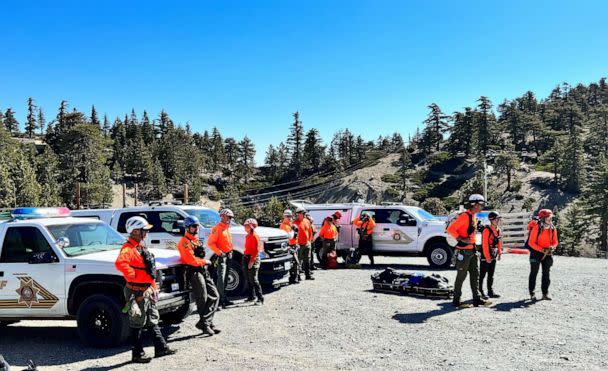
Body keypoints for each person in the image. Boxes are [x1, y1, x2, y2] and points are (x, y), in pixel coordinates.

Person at [115, 216, 176, 363]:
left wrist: (153, 287)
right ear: (136, 231)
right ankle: (137, 354)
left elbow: (149, 272)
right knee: (137, 322)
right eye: (145, 230)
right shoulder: (128, 249)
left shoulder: (140, 247)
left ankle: (161, 348)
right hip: (136, 291)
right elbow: (120, 263)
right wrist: (133, 276)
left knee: (152, 319)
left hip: (146, 290)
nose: (147, 233)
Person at [176, 215, 220, 336]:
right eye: (193, 227)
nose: (196, 229)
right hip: (193, 272)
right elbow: (191, 260)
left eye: (196, 226)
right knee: (203, 298)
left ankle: (205, 322)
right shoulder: (184, 243)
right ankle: (206, 324)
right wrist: (206, 261)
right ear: (187, 228)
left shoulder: (196, 240)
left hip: (202, 270)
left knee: (215, 295)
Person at [446, 194, 490, 308]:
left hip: (472, 250)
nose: (482, 207)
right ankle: (456, 301)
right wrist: (460, 238)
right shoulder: (465, 216)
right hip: (464, 252)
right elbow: (450, 229)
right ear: (474, 204)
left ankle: (476, 299)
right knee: (461, 276)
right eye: (481, 204)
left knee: (475, 275)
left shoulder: (473, 216)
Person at [528, 209, 558, 301]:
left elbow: (555, 241)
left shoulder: (552, 228)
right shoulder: (536, 228)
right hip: (536, 253)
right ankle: (532, 293)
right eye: (549, 218)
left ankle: (545, 293)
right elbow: (531, 243)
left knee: (546, 274)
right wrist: (541, 249)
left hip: (548, 253)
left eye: (551, 218)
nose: (550, 219)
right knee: (534, 273)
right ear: (543, 218)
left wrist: (553, 247)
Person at [207, 208, 235, 309]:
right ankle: (218, 302)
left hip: (228, 255)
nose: (229, 219)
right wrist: (220, 252)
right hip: (221, 256)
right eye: (228, 217)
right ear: (222, 216)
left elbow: (228, 242)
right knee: (221, 279)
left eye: (231, 217)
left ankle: (224, 299)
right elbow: (210, 243)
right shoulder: (216, 228)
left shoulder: (227, 228)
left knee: (226, 277)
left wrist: (230, 251)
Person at [479, 212, 502, 299]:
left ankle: (490, 291)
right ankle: (480, 292)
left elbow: (498, 242)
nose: (498, 221)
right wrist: (487, 257)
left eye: (498, 219)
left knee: (491, 274)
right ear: (491, 220)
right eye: (496, 219)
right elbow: (484, 244)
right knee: (482, 274)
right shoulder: (486, 230)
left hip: (494, 254)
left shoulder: (498, 230)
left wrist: (499, 253)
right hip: (486, 255)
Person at [243, 218, 265, 305]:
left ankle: (260, 298)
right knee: (248, 278)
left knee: (254, 279)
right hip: (247, 257)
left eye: (246, 226)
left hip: (253, 258)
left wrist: (251, 261)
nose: (244, 227)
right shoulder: (248, 235)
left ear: (251, 227)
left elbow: (256, 250)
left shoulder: (254, 236)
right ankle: (251, 296)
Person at [279, 209, 301, 284]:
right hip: (289, 246)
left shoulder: (291, 225)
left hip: (294, 245)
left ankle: (296, 277)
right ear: (284, 216)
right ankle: (293, 278)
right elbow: (289, 236)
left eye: (290, 216)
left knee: (295, 262)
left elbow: (295, 236)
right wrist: (294, 232)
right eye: (287, 216)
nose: (289, 218)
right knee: (294, 262)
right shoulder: (283, 225)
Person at [293, 207, 314, 280]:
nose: (304, 215)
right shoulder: (294, 223)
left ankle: (308, 275)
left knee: (307, 260)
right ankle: (297, 276)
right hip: (298, 245)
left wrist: (310, 241)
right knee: (298, 261)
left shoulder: (307, 221)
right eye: (302, 213)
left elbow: (310, 231)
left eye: (303, 213)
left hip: (307, 244)